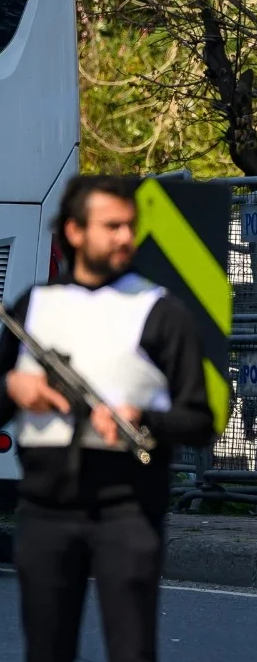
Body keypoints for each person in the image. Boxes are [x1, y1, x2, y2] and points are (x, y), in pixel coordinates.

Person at [0, 175, 215, 662]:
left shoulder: (161, 312)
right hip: (44, 509)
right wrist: (12, 387)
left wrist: (144, 419)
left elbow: (200, 420)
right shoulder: (32, 307)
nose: (125, 237)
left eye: (129, 226)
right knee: (46, 650)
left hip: (128, 510)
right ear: (74, 231)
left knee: (131, 649)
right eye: (111, 226)